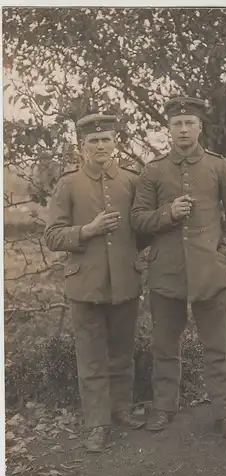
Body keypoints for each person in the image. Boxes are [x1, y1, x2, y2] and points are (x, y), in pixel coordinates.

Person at [131, 97, 226, 439]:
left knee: (218, 346)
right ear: (168, 130)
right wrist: (167, 213)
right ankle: (164, 407)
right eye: (177, 124)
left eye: (189, 123)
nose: (183, 130)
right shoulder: (153, 171)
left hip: (210, 272)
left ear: (200, 127)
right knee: (165, 345)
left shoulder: (218, 166)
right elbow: (137, 220)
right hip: (166, 272)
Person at [45, 113, 146, 452]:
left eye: (106, 139)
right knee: (90, 358)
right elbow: (52, 236)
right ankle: (97, 424)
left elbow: (142, 230)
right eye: (93, 141)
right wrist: (87, 231)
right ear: (81, 146)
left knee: (122, 351)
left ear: (115, 141)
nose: (100, 146)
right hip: (85, 285)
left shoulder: (131, 181)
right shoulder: (68, 184)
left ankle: (122, 410)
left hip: (125, 281)